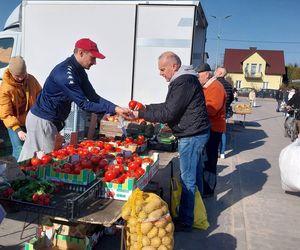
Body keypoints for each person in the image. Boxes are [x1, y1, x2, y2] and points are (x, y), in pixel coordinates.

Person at [131, 51, 210, 232]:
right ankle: (197, 209)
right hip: (196, 131)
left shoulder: (183, 82)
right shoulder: (185, 80)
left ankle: (186, 220)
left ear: (174, 66)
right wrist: (146, 108)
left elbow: (168, 113)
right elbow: (169, 107)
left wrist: (140, 114)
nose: (160, 73)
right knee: (194, 174)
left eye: (162, 69)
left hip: (191, 134)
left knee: (187, 179)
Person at [18, 38, 131, 161]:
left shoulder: (79, 71)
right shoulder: (65, 74)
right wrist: (113, 109)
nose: (94, 62)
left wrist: (116, 108)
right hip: (42, 121)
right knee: (40, 162)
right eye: (93, 58)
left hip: (47, 121)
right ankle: (13, 177)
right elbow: (84, 104)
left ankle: (16, 176)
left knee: (33, 159)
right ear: (81, 53)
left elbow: (93, 96)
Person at [0, 56, 41, 160]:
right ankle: (16, 173)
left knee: (33, 148)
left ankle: (31, 171)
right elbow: (6, 114)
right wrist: (18, 130)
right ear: (11, 73)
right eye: (17, 76)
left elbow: (41, 96)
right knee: (19, 148)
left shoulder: (31, 80)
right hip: (14, 123)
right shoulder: (5, 88)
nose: (21, 78)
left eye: (23, 74)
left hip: (30, 121)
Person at [195, 63, 226, 197]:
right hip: (208, 127)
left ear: (207, 74)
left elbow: (212, 108)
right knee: (206, 159)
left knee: (210, 159)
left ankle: (208, 190)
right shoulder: (207, 86)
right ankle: (205, 185)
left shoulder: (216, 87)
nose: (198, 78)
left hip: (214, 128)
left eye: (199, 76)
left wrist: (196, 111)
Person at [214, 67, 234, 159]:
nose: (214, 72)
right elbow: (231, 99)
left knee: (213, 131)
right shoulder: (229, 85)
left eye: (216, 71)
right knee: (222, 132)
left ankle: (215, 150)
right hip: (224, 111)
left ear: (220, 73)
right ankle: (222, 152)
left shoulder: (215, 83)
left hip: (214, 111)